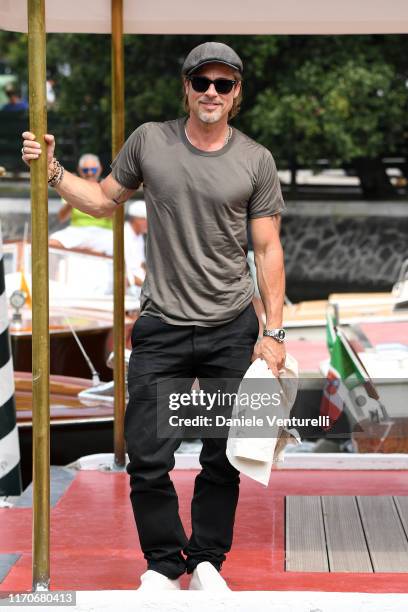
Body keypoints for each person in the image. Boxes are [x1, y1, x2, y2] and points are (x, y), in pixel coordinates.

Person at [21, 41, 287, 592]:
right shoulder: (150, 140)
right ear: (186, 88)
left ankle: (209, 562)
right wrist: (51, 170)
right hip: (163, 324)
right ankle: (165, 564)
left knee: (224, 455)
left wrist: (275, 332)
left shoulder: (255, 159)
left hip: (232, 326)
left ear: (237, 94)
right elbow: (99, 200)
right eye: (201, 82)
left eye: (223, 84)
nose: (211, 92)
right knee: (147, 454)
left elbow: (267, 251)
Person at [49, 154, 114, 255]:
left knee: (123, 245)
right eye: (85, 170)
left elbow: (115, 216)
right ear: (80, 170)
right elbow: (61, 218)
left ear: (100, 169)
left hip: (104, 232)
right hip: (77, 230)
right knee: (51, 243)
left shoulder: (107, 187)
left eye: (93, 170)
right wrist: (73, 199)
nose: (89, 173)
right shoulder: (72, 186)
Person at [124, 200, 147, 298]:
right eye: (145, 219)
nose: (148, 223)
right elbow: (125, 272)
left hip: (141, 288)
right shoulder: (123, 235)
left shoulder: (139, 236)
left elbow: (141, 264)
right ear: (135, 220)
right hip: (130, 290)